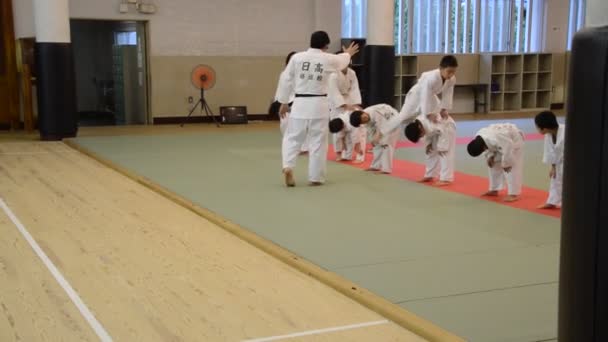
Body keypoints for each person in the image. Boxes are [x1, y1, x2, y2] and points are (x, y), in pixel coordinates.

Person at [276, 32, 359, 187]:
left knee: (292, 138)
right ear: (326, 46)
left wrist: (283, 102)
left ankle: (288, 165)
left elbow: (286, 79)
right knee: (318, 142)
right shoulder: (327, 58)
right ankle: (315, 177)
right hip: (319, 105)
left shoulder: (297, 58)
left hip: (299, 103)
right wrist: (347, 53)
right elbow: (342, 61)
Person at [380, 55, 458, 138]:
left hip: (430, 95)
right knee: (403, 116)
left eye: (453, 72)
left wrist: (444, 109)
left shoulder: (452, 79)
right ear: (441, 68)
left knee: (439, 113)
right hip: (417, 94)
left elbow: (448, 93)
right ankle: (381, 132)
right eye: (449, 71)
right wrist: (428, 114)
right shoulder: (432, 78)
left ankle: (436, 136)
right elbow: (425, 94)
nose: (451, 74)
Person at [467, 123, 525, 202]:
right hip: (501, 142)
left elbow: (508, 147)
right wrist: (490, 156)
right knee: (493, 164)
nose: (484, 151)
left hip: (514, 140)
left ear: (483, 148)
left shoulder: (495, 138)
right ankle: (494, 189)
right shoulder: (479, 137)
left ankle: (513, 194)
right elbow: (491, 146)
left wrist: (506, 163)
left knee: (511, 167)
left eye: (483, 150)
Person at [328, 57, 365, 162]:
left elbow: (354, 89)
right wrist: (343, 105)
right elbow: (334, 92)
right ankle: (340, 153)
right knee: (338, 130)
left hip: (349, 99)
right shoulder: (333, 75)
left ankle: (357, 153)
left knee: (356, 128)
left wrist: (356, 104)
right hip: (336, 104)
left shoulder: (352, 73)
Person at [404, 114, 456, 186]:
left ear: (420, 127)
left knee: (444, 153)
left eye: (420, 135)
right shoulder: (418, 124)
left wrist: (442, 146)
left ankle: (446, 179)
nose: (421, 136)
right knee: (430, 151)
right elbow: (428, 134)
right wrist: (429, 143)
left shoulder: (432, 124)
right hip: (436, 132)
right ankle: (430, 175)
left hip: (447, 127)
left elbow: (444, 132)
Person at [350, 104, 400, 174]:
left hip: (392, 120)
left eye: (364, 119)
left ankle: (386, 169)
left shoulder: (376, 112)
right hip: (382, 124)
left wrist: (377, 137)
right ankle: (375, 166)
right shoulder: (363, 119)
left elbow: (381, 128)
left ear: (363, 113)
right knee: (376, 144)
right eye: (362, 122)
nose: (365, 121)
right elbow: (370, 130)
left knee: (386, 144)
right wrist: (372, 140)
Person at [535, 111, 565, 209]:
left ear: (545, 127)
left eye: (538, 127)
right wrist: (553, 167)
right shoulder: (548, 135)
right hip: (559, 162)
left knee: (569, 182)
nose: (537, 129)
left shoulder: (566, 132)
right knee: (555, 178)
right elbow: (550, 153)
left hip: (572, 162)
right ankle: (552, 201)